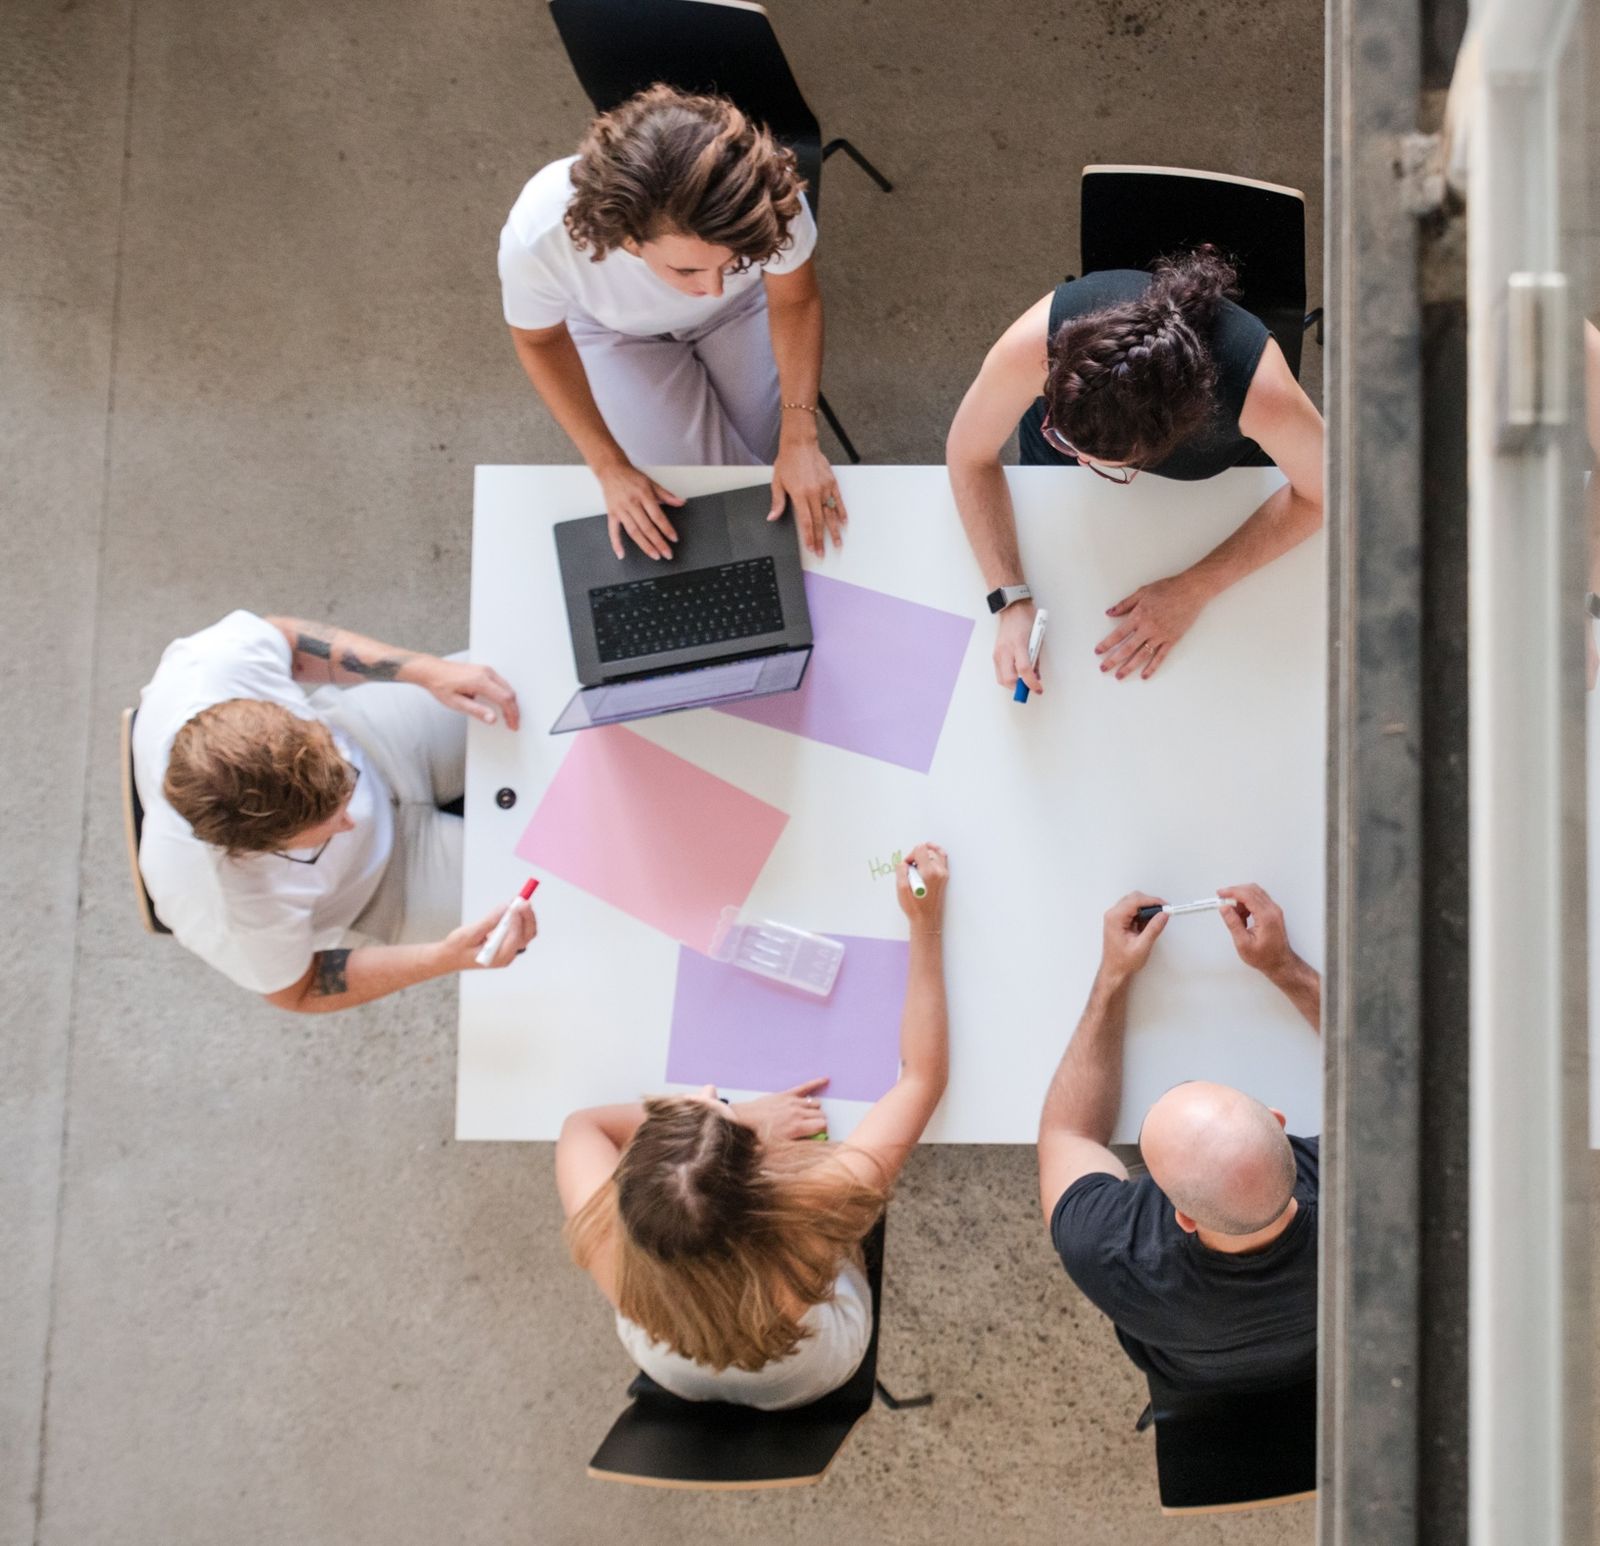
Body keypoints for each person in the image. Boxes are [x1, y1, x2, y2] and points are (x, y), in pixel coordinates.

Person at [555, 843, 950, 1409]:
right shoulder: (813, 1218)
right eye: (717, 1105)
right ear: (765, 1176)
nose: (709, 1092)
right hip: (806, 1369)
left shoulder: (605, 1241)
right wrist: (925, 923)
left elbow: (580, 1127)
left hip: (677, 1364)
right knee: (830, 1154)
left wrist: (736, 1121)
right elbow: (922, 1078)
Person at [946, 248, 1326, 692]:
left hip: (1213, 493)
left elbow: (1325, 493)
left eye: (1107, 466)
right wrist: (1008, 596)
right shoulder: (1035, 344)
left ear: (1167, 444)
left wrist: (1196, 586)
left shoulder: (1261, 394)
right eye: (1064, 438)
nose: (1080, 463)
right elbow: (968, 452)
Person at [499, 84, 847, 562]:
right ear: (628, 237)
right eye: (687, 269)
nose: (713, 287)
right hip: (614, 332)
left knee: (750, 467)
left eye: (732, 262)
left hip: (741, 315)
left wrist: (802, 436)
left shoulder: (765, 198)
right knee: (712, 486)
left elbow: (794, 299)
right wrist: (608, 467)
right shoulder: (539, 233)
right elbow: (539, 342)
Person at [132, 610, 538, 1012]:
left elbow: (287, 640)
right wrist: (443, 958)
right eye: (326, 830)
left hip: (377, 740)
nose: (352, 818)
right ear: (254, 851)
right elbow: (301, 989)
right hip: (385, 891)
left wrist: (426, 671)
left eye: (343, 784)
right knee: (570, 901)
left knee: (532, 681)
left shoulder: (213, 666)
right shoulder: (227, 908)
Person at [1037, 884, 1321, 1393]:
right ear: (1276, 1120)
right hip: (1322, 1351)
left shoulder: (1108, 1251)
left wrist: (1114, 975)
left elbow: (1068, 1133)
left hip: (1192, 1376)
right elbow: (1391, 1069)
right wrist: (1283, 967)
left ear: (1183, 1216)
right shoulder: (1382, 1195)